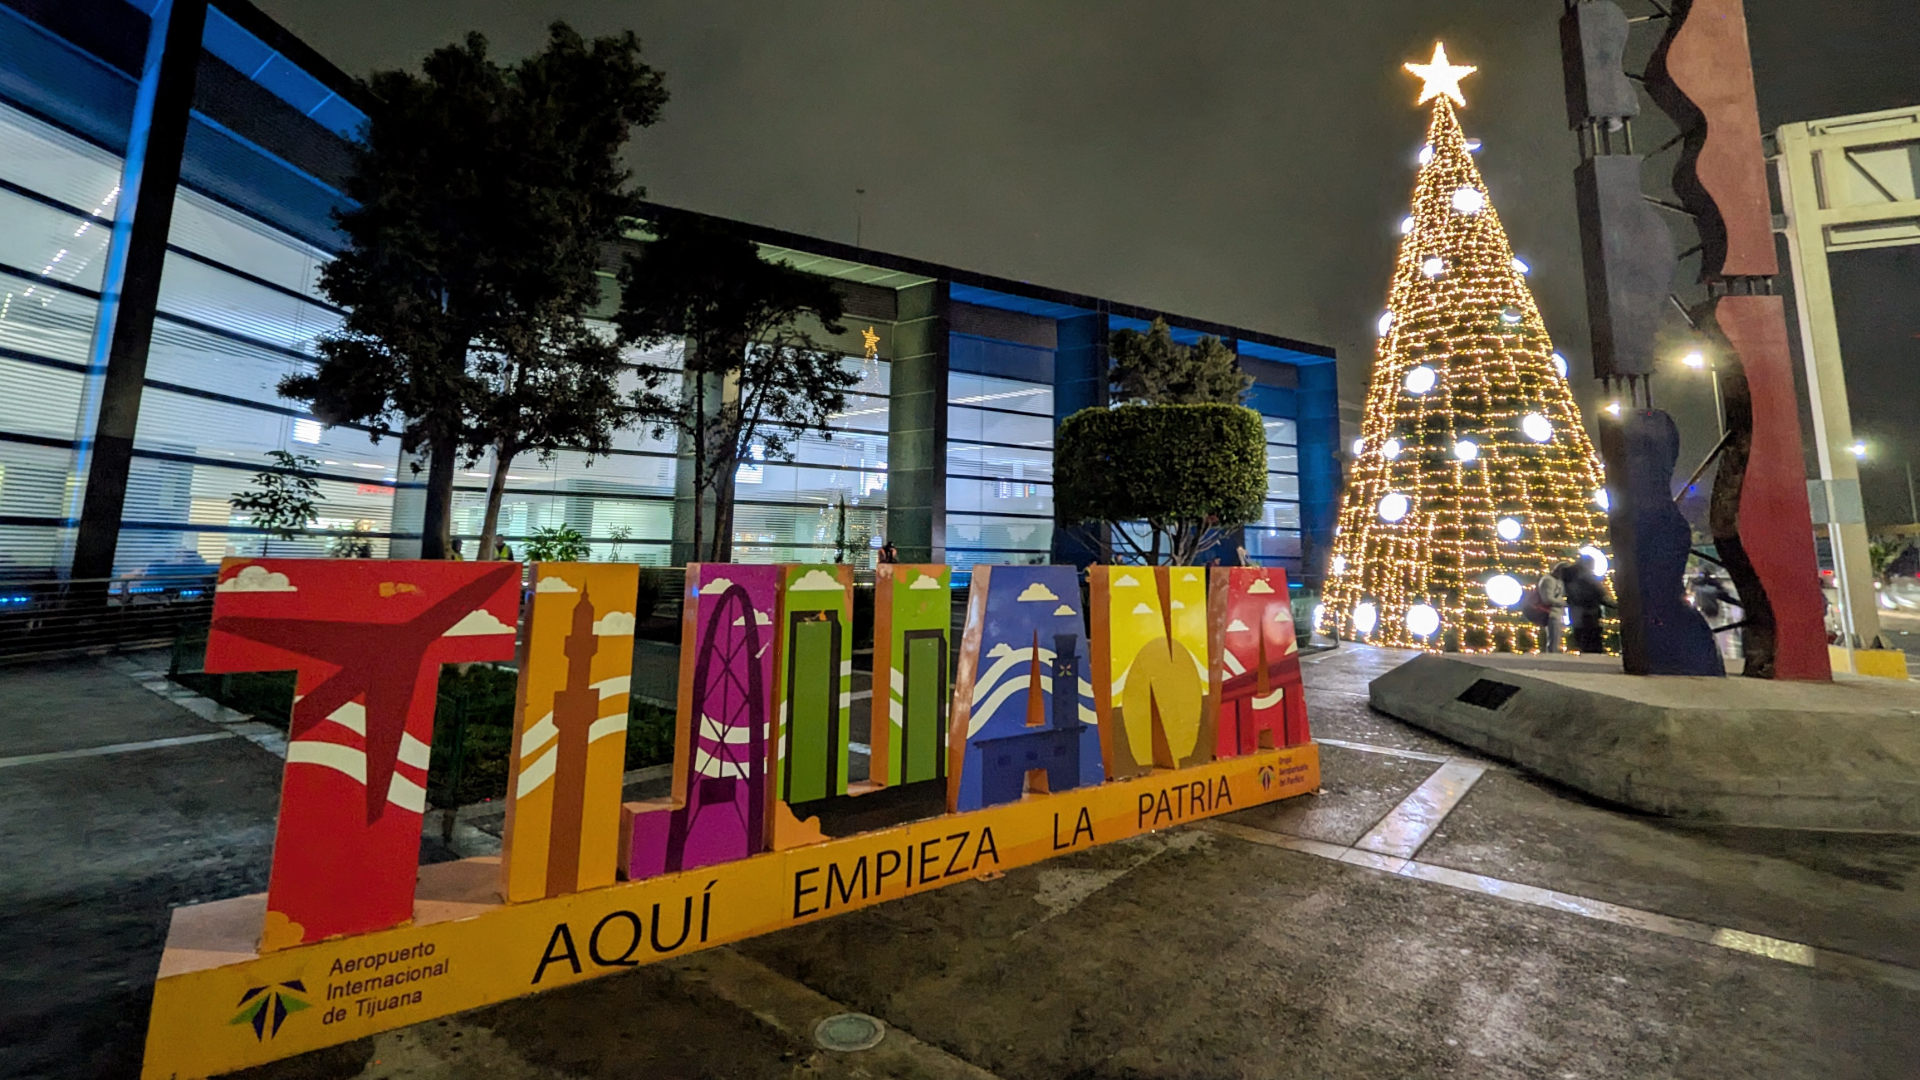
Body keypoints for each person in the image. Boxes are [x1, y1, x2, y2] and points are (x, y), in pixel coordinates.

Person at [1564, 555, 1614, 653]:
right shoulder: (1587, 577)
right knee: (1592, 638)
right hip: (1590, 612)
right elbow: (1601, 594)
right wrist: (1616, 605)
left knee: (1582, 638)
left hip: (1576, 613)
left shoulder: (1570, 576)